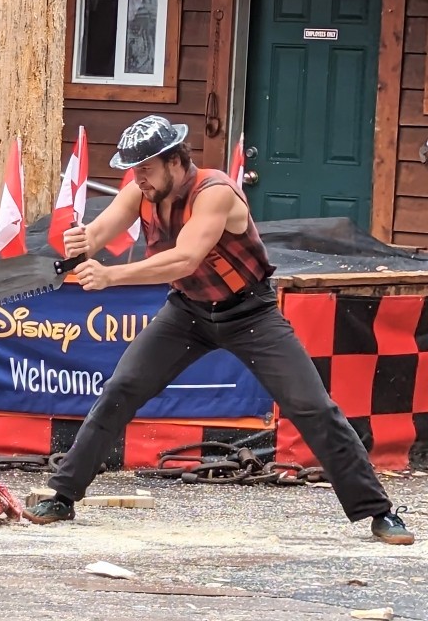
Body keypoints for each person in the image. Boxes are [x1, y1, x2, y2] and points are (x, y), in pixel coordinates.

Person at [24, 115, 415, 545]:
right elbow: (100, 230)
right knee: (121, 390)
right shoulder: (143, 190)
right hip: (187, 314)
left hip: (250, 314)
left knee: (312, 407)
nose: (138, 179)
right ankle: (62, 495)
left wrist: (112, 277)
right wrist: (82, 243)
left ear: (174, 161)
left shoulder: (215, 194)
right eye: (133, 170)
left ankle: (378, 511)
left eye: (146, 169)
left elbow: (185, 259)